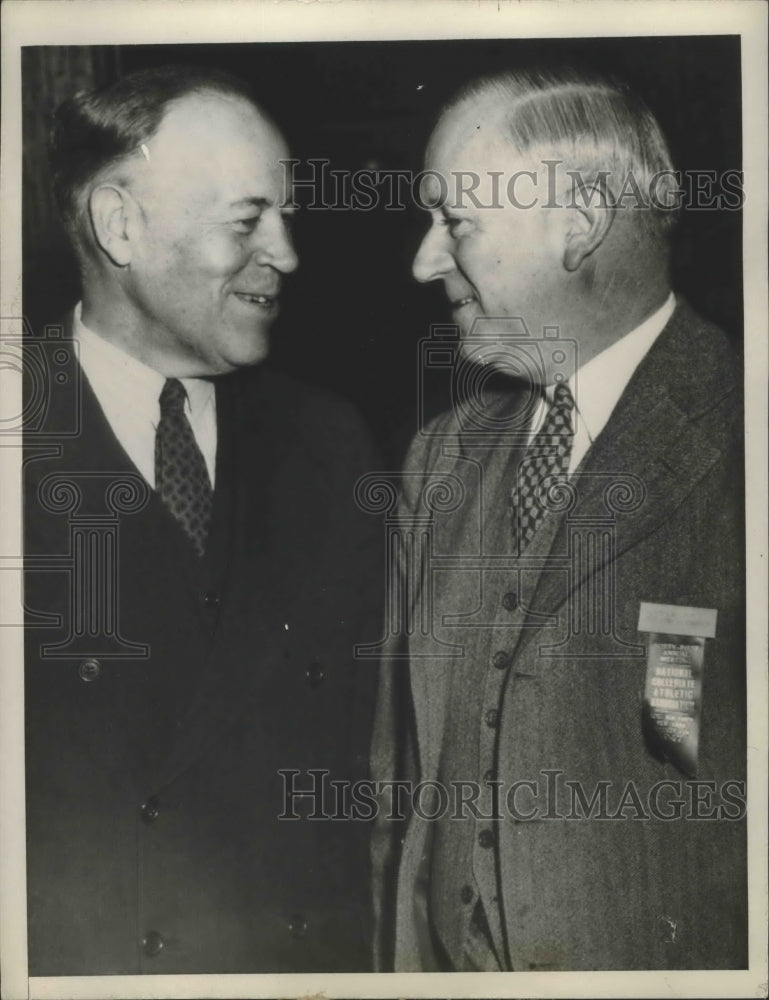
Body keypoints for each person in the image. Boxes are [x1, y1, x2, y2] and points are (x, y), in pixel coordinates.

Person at [371, 67, 746, 971]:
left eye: (455, 222)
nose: (423, 261)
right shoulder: (438, 460)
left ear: (575, 224)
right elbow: (398, 792)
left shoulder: (741, 431)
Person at [24, 65, 380, 975]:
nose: (287, 251)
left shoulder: (330, 445)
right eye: (247, 219)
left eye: (287, 215)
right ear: (121, 225)